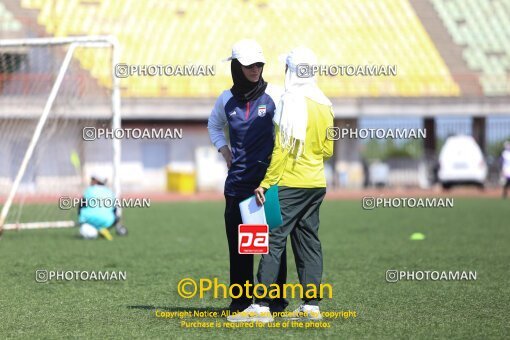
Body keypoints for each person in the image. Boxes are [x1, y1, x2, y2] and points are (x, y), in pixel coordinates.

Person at [227, 47, 334, 322]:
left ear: (292, 70)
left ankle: (261, 306)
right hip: (316, 182)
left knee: (272, 240)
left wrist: (266, 183)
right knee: (309, 241)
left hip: (289, 183)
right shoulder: (324, 103)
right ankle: (311, 306)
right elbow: (328, 149)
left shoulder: (289, 101)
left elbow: (282, 150)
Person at [207, 39, 288, 314]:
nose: (255, 69)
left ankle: (275, 301)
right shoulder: (225, 99)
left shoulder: (275, 95)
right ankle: (241, 301)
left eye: (259, 64)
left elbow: (287, 133)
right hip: (237, 185)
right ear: (236, 67)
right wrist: (224, 150)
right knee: (241, 248)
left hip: (268, 186)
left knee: (272, 246)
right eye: (248, 65)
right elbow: (214, 125)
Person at [78, 174, 127, 240]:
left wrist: (81, 218)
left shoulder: (89, 190)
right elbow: (115, 210)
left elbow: (81, 206)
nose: (91, 181)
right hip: (108, 221)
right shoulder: (110, 192)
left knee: (86, 230)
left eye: (92, 179)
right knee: (112, 216)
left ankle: (94, 231)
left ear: (96, 180)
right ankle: (102, 229)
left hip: (89, 219)